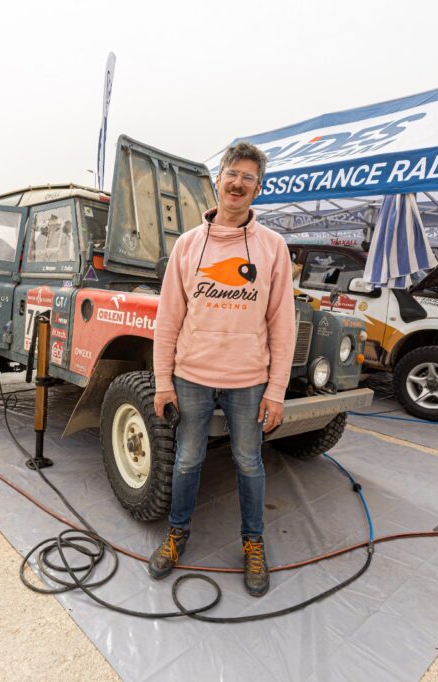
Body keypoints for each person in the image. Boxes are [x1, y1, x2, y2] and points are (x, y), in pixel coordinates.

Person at [150, 141, 295, 597]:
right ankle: (177, 533)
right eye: (232, 174)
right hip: (191, 376)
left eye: (248, 178)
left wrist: (276, 390)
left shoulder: (273, 247)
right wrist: (162, 382)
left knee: (249, 462)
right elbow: (168, 318)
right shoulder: (188, 245)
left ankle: (253, 543)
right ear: (218, 180)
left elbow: (283, 324)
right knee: (187, 458)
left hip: (249, 380)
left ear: (258, 188)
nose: (238, 183)